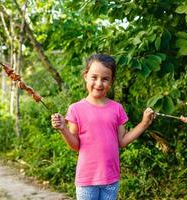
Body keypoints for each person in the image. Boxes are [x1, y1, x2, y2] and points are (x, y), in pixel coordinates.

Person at [51, 53, 156, 200]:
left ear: (111, 81)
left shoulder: (117, 108)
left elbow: (123, 141)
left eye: (105, 79)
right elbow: (75, 145)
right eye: (94, 77)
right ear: (85, 76)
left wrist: (144, 123)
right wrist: (63, 129)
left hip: (111, 179)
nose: (99, 83)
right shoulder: (75, 109)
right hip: (87, 179)